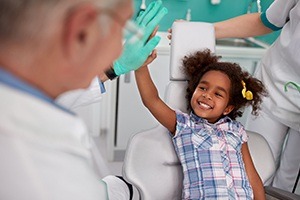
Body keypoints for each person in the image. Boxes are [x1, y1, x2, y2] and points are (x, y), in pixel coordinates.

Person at [0, 0, 167, 199]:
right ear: (81, 33)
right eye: (123, 27)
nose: (119, 48)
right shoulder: (39, 178)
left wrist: (115, 67)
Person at [135, 49, 267, 199]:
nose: (206, 95)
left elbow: (252, 177)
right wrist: (140, 66)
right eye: (202, 88)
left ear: (228, 108)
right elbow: (152, 101)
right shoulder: (184, 125)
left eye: (218, 94)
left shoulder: (237, 131)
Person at [212, 0, 300, 193]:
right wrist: (206, 30)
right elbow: (266, 22)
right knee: (254, 167)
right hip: (272, 85)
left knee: (287, 182)